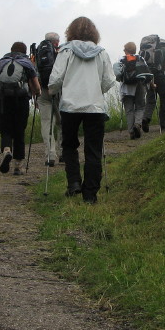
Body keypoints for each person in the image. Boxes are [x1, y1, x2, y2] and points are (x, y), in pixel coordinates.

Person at [48, 16, 115, 204]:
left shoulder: (66, 51)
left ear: (71, 32)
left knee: (69, 145)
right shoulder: (101, 52)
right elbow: (109, 80)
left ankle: (74, 182)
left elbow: (55, 79)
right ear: (94, 32)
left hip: (70, 105)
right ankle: (90, 194)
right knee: (93, 149)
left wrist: (52, 90)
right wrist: (97, 89)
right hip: (94, 107)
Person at [0, 41, 41, 176]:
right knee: (19, 130)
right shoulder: (26, 63)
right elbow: (36, 86)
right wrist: (36, 96)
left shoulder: (2, 62)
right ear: (25, 51)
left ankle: (7, 150)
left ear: (11, 50)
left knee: (5, 129)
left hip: (4, 99)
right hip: (21, 100)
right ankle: (18, 166)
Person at [113, 42, 150, 139]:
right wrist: (150, 84)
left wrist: (120, 79)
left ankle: (131, 132)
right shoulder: (140, 58)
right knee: (140, 107)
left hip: (126, 87)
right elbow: (147, 71)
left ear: (126, 50)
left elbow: (118, 74)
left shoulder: (122, 59)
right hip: (140, 85)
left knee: (129, 110)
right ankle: (137, 125)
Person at [35, 32, 62, 167]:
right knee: (61, 121)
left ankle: (50, 155)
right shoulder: (59, 52)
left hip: (42, 90)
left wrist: (35, 94)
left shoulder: (37, 51)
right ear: (56, 42)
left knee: (46, 123)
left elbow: (33, 73)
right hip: (57, 90)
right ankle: (62, 152)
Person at [140, 35, 165, 132]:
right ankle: (163, 125)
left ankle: (146, 118)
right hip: (160, 76)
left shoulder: (147, 49)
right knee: (163, 99)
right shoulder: (164, 50)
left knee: (150, 100)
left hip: (149, 76)